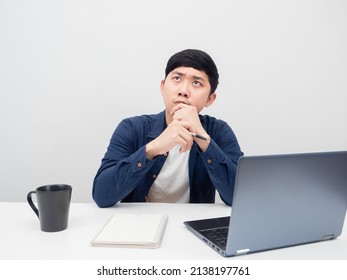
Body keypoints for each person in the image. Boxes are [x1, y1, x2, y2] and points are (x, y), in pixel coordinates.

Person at [92, 49, 243, 208]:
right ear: (163, 87)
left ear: (210, 99)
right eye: (177, 78)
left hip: (192, 225)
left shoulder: (219, 131)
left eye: (196, 82)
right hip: (137, 224)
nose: (183, 91)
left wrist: (203, 139)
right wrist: (151, 149)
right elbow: (102, 196)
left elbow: (238, 197)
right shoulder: (131, 128)